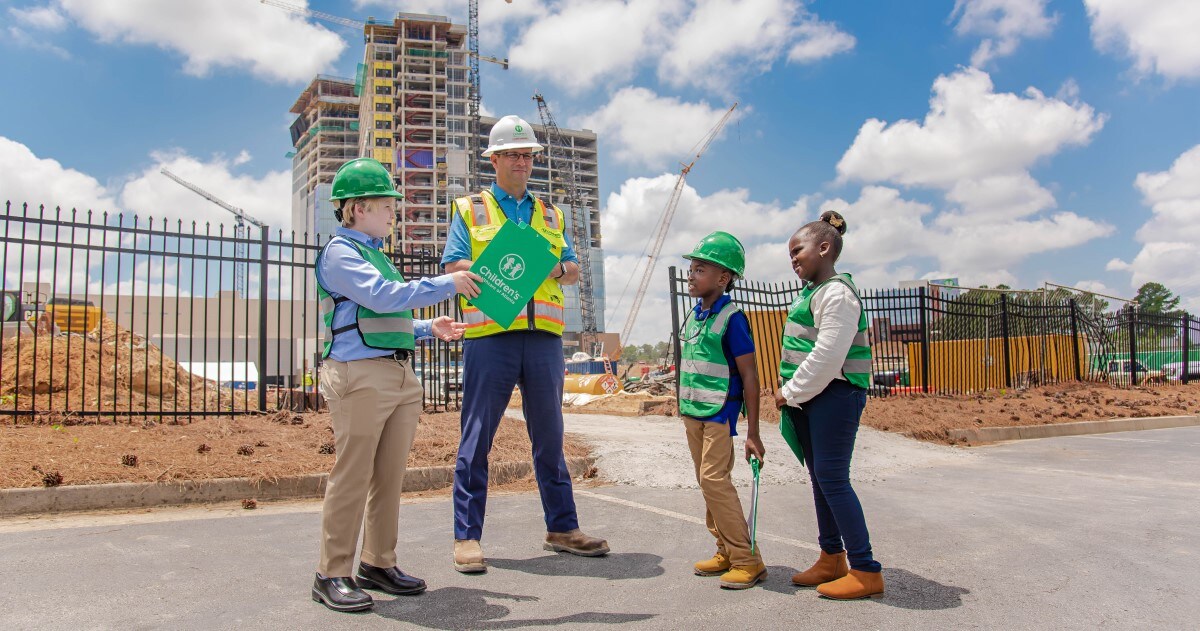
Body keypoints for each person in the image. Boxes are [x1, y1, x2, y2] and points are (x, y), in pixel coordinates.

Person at [312, 157, 483, 613]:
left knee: (388, 477)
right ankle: (331, 572)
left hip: (398, 372)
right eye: (387, 205)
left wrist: (429, 328)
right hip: (360, 374)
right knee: (353, 474)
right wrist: (448, 283)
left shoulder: (376, 254)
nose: (394, 213)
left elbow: (385, 314)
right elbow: (382, 297)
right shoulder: (341, 252)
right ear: (357, 208)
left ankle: (377, 563)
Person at [441, 114, 608, 573]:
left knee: (550, 438)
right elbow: (453, 264)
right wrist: (481, 268)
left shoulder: (550, 214)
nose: (521, 161)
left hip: (543, 340)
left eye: (527, 154)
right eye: (512, 154)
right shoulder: (469, 209)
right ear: (493, 159)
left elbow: (572, 267)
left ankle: (563, 527)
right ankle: (467, 537)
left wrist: (552, 268)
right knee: (476, 438)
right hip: (489, 336)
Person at [773, 210, 884, 600]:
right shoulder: (815, 293)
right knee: (821, 480)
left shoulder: (837, 293)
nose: (794, 259)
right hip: (814, 398)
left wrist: (790, 391)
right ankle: (831, 557)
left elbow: (827, 355)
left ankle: (866, 569)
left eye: (798, 250)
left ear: (824, 247)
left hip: (833, 396)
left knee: (833, 479)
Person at [678, 231, 767, 590]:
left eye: (700, 269)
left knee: (715, 480)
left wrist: (754, 432)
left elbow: (750, 375)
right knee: (707, 483)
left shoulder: (732, 319)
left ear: (723, 278)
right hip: (693, 413)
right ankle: (725, 550)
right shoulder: (695, 315)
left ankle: (748, 560)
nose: (691, 275)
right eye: (691, 268)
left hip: (718, 415)